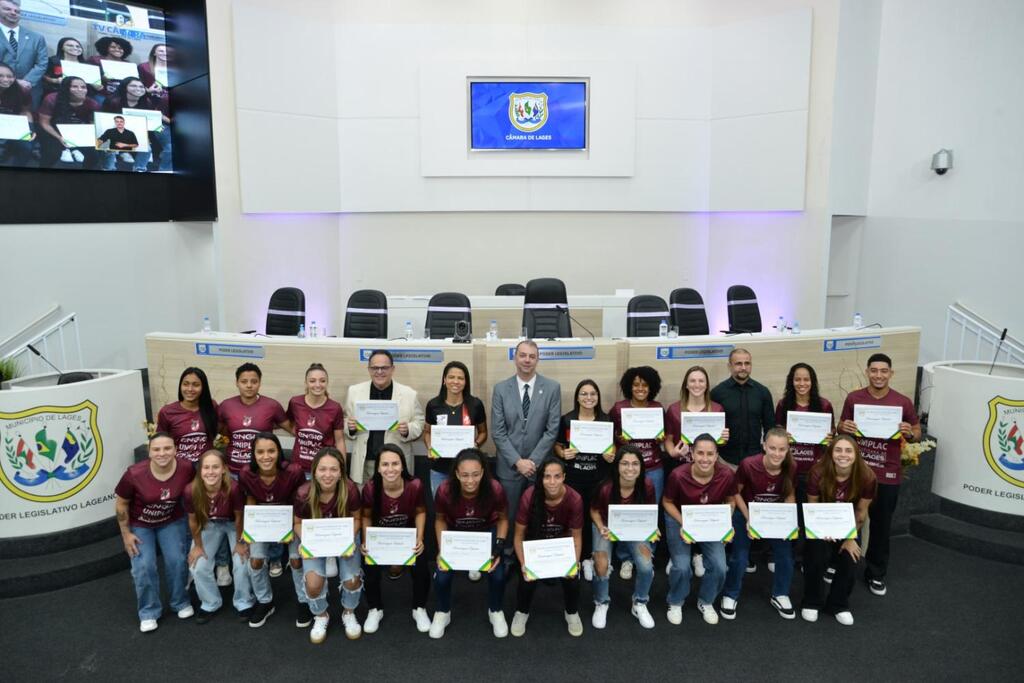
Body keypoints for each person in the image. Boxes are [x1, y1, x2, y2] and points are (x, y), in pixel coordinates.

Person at [838, 352, 920, 597]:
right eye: (874, 370)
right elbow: (841, 427)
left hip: (887, 474)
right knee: (848, 520)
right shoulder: (854, 398)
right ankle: (842, 564)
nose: (879, 375)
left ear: (891, 374)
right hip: (856, 473)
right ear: (867, 372)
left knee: (881, 527)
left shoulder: (902, 402)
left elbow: (916, 431)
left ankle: (875, 573)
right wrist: (844, 427)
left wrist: (910, 431)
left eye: (884, 371)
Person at [113, 433, 195, 632]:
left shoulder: (186, 467)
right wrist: (126, 534)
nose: (162, 453)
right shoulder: (134, 474)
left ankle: (180, 601)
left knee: (176, 560)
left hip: (172, 520)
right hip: (141, 525)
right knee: (144, 566)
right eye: (156, 449)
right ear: (149, 452)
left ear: (175, 450)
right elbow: (121, 503)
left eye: (167, 448)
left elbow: (194, 492)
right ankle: (149, 611)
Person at [430, 448, 509, 639]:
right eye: (464, 475)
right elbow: (440, 520)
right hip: (456, 534)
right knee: (442, 576)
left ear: (483, 472)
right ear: (456, 473)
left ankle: (495, 610)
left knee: (498, 574)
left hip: (485, 532)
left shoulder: (495, 489)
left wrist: (498, 547)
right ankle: (443, 612)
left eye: (475, 474)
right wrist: (443, 549)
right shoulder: (445, 490)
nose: (470, 480)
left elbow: (503, 519)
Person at [720, 428, 797, 621]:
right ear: (764, 446)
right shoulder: (748, 465)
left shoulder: (791, 466)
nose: (777, 454)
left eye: (782, 449)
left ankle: (780, 594)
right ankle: (730, 594)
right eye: (772, 448)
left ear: (788, 449)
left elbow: (789, 494)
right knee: (740, 556)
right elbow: (735, 493)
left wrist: (789, 521)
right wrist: (749, 519)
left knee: (786, 555)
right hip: (746, 513)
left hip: (775, 516)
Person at [662, 433, 737, 626]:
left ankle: (706, 601)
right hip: (679, 518)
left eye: (710, 454)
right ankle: (676, 601)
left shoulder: (727, 474)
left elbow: (730, 501)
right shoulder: (678, 475)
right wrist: (684, 524)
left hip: (709, 522)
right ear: (692, 454)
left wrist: (725, 525)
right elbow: (667, 502)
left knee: (720, 567)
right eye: (700, 453)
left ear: (716, 455)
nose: (705, 458)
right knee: (681, 565)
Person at [801, 434, 876, 626]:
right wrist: (822, 530)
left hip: (850, 526)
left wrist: (850, 538)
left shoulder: (867, 477)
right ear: (831, 453)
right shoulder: (817, 472)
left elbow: (861, 512)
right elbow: (813, 506)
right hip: (821, 523)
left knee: (850, 558)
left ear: (856, 454)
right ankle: (812, 601)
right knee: (816, 555)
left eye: (849, 451)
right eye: (838, 450)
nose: (843, 455)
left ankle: (838, 604)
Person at [490, 339, 562, 538]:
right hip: (509, 467)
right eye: (523, 355)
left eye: (532, 356)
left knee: (537, 516)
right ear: (515, 358)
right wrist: (517, 462)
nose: (527, 360)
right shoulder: (501, 389)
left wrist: (532, 462)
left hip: (538, 468)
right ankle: (507, 557)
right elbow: (498, 431)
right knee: (509, 515)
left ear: (538, 359)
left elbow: (552, 429)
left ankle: (531, 560)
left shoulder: (552, 388)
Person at [294, 447, 364, 644]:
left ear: (341, 471)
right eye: (322, 469)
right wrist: (305, 541)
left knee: (352, 581)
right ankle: (321, 615)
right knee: (314, 586)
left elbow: (357, 519)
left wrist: (350, 540)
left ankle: (348, 612)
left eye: (333, 469)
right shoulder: (303, 493)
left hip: (344, 537)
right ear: (314, 471)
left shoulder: (349, 490)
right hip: (315, 541)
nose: (328, 475)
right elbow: (297, 523)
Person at [238, 432, 308, 628]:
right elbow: (251, 498)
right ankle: (265, 601)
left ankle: (304, 601)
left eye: (271, 451)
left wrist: (288, 529)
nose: (266, 456)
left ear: (279, 452)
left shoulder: (294, 472)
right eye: (260, 452)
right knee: (256, 560)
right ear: (253, 454)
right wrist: (248, 528)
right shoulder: (246, 473)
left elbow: (300, 501)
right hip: (261, 520)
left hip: (292, 519)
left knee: (295, 560)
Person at [360, 444, 431, 633]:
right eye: (385, 464)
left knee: (422, 567)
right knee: (369, 567)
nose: (390, 469)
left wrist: (420, 538)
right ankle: (375, 609)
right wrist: (366, 541)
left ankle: (419, 608)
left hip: (407, 536)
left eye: (395, 464)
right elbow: (365, 516)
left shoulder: (415, 485)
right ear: (378, 467)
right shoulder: (370, 488)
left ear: (403, 465)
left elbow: (421, 512)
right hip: (380, 537)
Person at [511, 457, 584, 637]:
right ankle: (521, 612)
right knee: (526, 579)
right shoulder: (529, 496)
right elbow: (519, 535)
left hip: (562, 547)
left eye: (557, 476)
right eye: (547, 477)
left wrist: (573, 563)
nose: (552, 482)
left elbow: (576, 537)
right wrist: (523, 563)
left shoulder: (575, 499)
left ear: (564, 477)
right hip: (534, 546)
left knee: (572, 580)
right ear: (540, 479)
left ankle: (572, 612)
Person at [589, 445, 657, 630]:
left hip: (634, 529)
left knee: (645, 565)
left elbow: (650, 512)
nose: (630, 468)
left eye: (635, 464)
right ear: (617, 466)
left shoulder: (647, 485)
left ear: (641, 467)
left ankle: (640, 602)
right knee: (601, 564)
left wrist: (653, 529)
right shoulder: (605, 488)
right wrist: (601, 526)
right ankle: (601, 602)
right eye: (625, 463)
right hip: (606, 527)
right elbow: (594, 511)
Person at [185, 449, 255, 624]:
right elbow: (193, 522)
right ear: (200, 471)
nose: (210, 472)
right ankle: (210, 603)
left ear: (224, 469)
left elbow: (239, 518)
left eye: (215, 467)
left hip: (233, 525)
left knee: (241, 561)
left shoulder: (234, 488)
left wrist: (240, 543)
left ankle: (243, 602)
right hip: (209, 525)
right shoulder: (191, 490)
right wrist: (198, 546)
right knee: (197, 565)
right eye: (206, 467)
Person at [554, 378, 613, 581]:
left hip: (597, 478)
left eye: (593, 394)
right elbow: (558, 445)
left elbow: (612, 449)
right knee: (574, 519)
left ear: (598, 397)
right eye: (584, 394)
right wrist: (563, 454)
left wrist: (610, 454)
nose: (589, 398)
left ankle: (588, 558)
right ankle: (574, 559)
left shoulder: (606, 420)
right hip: (574, 478)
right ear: (577, 397)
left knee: (592, 519)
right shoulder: (568, 420)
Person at [609, 365, 665, 580]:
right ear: (628, 387)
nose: (640, 388)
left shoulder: (658, 408)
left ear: (651, 387)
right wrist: (618, 439)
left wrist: (660, 438)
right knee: (625, 512)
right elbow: (610, 438)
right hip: (627, 470)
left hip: (653, 469)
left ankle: (647, 553)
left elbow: (665, 438)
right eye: (636, 384)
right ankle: (625, 557)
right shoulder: (618, 408)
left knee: (651, 513)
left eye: (644, 384)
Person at [344, 349, 425, 485]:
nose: (379, 372)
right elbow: (346, 419)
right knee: (366, 503)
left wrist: (408, 430)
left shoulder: (409, 394)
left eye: (384, 368)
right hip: (365, 463)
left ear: (392, 369)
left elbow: (419, 422)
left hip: (395, 465)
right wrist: (350, 427)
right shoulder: (354, 392)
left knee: (395, 504)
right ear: (369, 369)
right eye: (375, 368)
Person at [423, 360, 487, 496]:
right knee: (441, 509)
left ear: (466, 382)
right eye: (451, 377)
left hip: (467, 471)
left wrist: (475, 444)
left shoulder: (475, 404)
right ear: (444, 380)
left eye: (460, 378)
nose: (456, 381)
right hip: (440, 469)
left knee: (466, 508)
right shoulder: (433, 405)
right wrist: (430, 447)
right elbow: (427, 432)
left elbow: (483, 432)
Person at [218, 362, 289, 475]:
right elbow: (217, 431)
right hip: (232, 472)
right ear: (237, 383)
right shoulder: (226, 406)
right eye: (244, 381)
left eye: (254, 381)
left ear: (260, 383)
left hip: (260, 473)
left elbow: (292, 428)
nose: (249, 385)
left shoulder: (272, 406)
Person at [711, 348, 776, 467]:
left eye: (747, 363)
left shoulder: (763, 392)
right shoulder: (717, 393)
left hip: (756, 459)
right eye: (738, 364)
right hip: (725, 460)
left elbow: (770, 427)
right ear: (729, 366)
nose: (743, 367)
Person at [287, 362, 346, 476]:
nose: (318, 385)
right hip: (298, 469)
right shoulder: (295, 402)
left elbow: (339, 441)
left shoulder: (335, 408)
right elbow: (287, 423)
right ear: (306, 383)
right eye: (312, 381)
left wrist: (342, 470)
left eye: (322, 381)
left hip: (324, 471)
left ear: (327, 382)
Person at [101, 76, 170, 171]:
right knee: (108, 148)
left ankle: (139, 168)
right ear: (125, 87)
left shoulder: (147, 103)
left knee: (147, 149)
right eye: (133, 86)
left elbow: (149, 122)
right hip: (113, 131)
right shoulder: (112, 101)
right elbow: (104, 121)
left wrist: (157, 127)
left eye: (141, 87)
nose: (138, 89)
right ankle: (108, 168)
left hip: (135, 132)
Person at [664, 365, 729, 465]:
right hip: (680, 463)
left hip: (707, 465)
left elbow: (720, 443)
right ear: (686, 385)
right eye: (692, 381)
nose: (697, 385)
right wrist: (673, 452)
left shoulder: (717, 409)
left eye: (701, 381)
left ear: (707, 385)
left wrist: (724, 439)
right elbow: (668, 439)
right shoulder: (674, 409)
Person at [156, 366, 219, 463]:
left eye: (196, 385)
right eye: (185, 384)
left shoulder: (211, 407)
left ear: (203, 387)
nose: (190, 389)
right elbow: (160, 443)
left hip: (206, 468)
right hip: (180, 467)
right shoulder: (167, 412)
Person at [36, 75, 99, 166]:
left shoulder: (93, 104)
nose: (80, 89)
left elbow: (92, 126)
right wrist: (59, 137)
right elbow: (44, 123)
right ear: (66, 88)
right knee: (52, 154)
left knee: (94, 156)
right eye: (74, 86)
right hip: (52, 129)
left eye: (83, 87)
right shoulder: (51, 99)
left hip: (77, 131)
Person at [0, 0, 47, 104]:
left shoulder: (37, 38)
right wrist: (9, 80)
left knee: (28, 119)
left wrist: (27, 81)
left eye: (17, 11)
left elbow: (42, 63)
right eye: (7, 9)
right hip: (1, 89)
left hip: (28, 90)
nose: (13, 12)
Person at [0, 61, 33, 165]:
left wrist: (29, 128)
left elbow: (25, 111)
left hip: (12, 125)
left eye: (10, 76)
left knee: (26, 147)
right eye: (0, 76)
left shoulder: (22, 91)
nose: (5, 79)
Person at [87, 35, 136, 101]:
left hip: (122, 95)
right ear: (106, 48)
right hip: (101, 94)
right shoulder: (95, 60)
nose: (117, 50)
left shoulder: (128, 64)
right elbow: (88, 77)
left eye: (120, 48)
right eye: (113, 47)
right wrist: (101, 79)